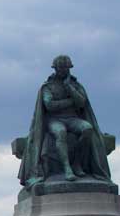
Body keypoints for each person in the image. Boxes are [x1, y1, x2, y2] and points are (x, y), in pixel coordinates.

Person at [18, 54, 111, 187]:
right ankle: (67, 168)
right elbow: (49, 105)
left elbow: (81, 102)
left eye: (66, 68)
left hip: (72, 118)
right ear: (55, 68)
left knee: (87, 129)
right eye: (60, 68)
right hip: (54, 120)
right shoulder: (48, 86)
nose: (63, 70)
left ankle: (77, 163)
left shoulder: (75, 85)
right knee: (60, 132)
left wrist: (69, 88)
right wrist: (70, 101)